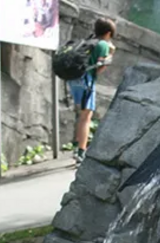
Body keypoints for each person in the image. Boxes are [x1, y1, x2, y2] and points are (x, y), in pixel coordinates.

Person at [68, 17, 116, 164]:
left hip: (74, 79)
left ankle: (77, 145)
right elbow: (100, 68)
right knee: (86, 117)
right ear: (108, 33)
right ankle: (81, 153)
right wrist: (111, 54)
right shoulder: (102, 45)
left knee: (81, 115)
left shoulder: (88, 41)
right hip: (86, 81)